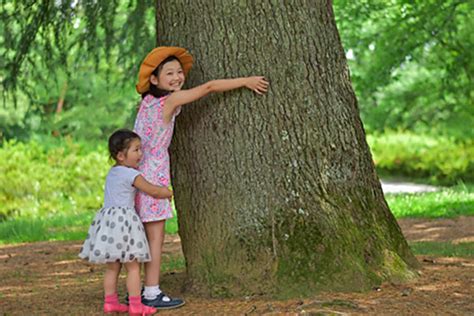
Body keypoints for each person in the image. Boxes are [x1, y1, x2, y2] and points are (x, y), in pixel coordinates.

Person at [133, 46, 269, 309]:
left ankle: (137, 289)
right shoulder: (168, 101)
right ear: (153, 79)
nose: (177, 77)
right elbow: (208, 87)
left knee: (143, 234)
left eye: (179, 72)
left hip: (137, 174)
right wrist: (245, 81)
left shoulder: (147, 102)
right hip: (153, 174)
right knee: (154, 237)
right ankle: (150, 292)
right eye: (169, 73)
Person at [79, 129, 173, 315]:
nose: (141, 154)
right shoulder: (131, 175)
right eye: (136, 150)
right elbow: (152, 190)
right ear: (121, 155)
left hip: (109, 225)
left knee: (113, 267)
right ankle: (137, 305)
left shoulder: (112, 172)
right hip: (124, 224)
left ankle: (110, 302)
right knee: (133, 267)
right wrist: (167, 192)